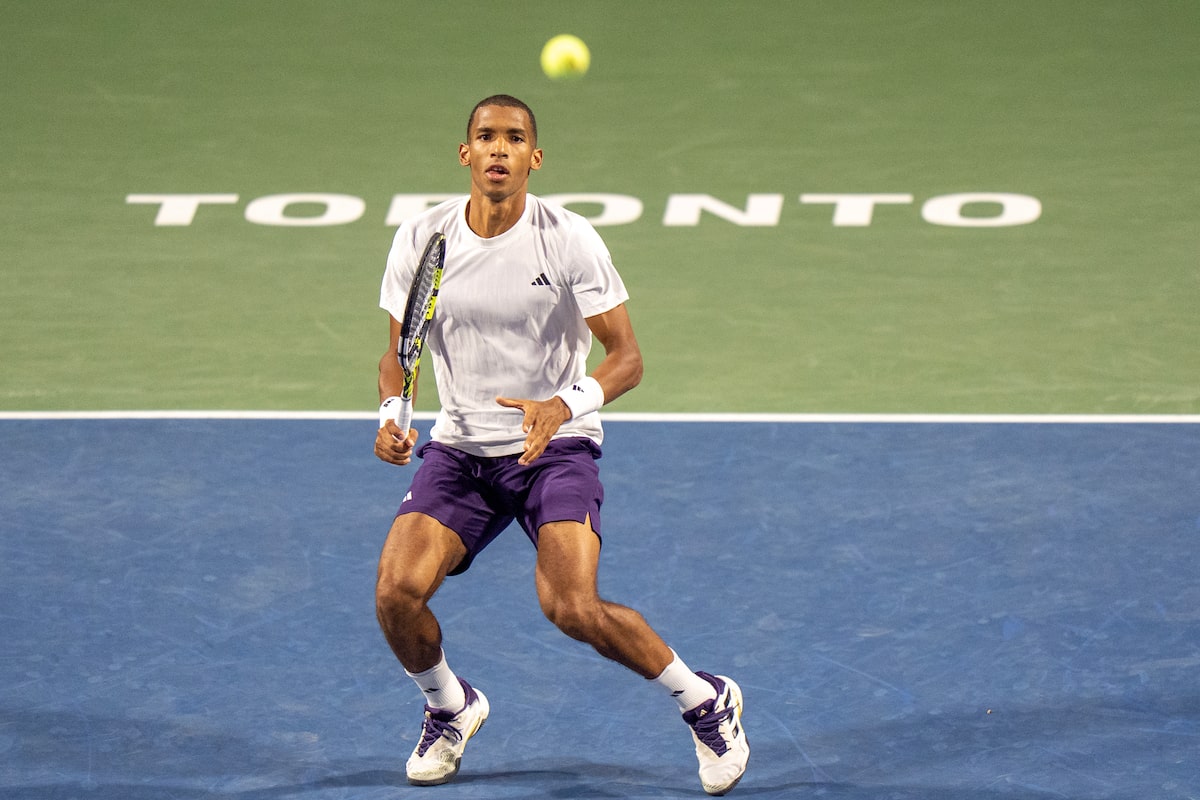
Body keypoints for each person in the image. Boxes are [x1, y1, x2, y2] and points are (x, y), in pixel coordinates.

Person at [373, 94, 749, 795]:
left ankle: (703, 699)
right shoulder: (423, 238)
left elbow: (627, 357)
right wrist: (394, 411)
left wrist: (561, 405)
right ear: (465, 153)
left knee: (571, 606)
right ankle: (450, 708)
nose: (498, 149)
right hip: (460, 452)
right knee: (395, 595)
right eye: (485, 136)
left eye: (514, 139)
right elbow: (399, 348)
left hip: (557, 447)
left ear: (533, 158)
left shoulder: (568, 237)